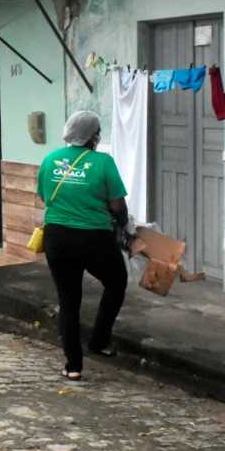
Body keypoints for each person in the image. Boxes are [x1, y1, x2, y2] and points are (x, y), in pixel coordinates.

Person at [37, 110, 128, 382]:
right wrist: (123, 225)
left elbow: (44, 195)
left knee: (68, 300)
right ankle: (99, 340)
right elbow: (117, 205)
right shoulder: (103, 162)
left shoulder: (50, 159)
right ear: (94, 136)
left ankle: (73, 365)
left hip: (57, 236)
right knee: (116, 281)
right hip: (94, 238)